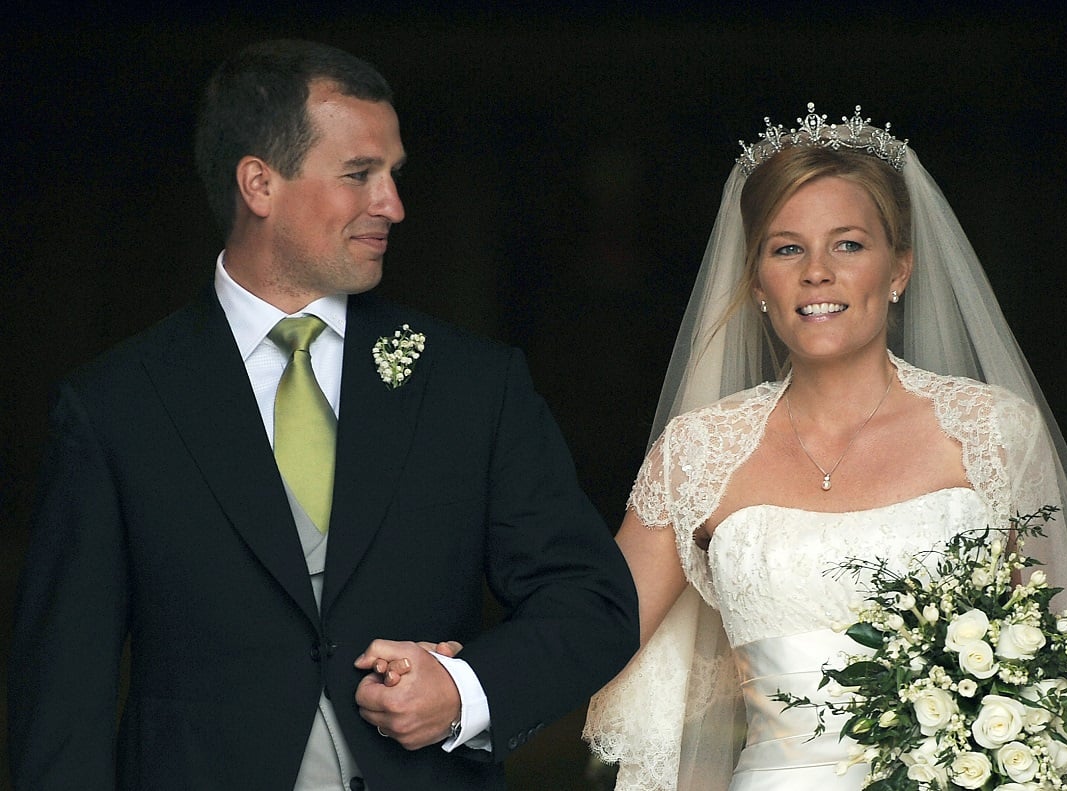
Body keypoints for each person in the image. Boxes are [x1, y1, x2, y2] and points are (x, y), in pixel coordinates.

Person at [8, 39, 638, 791]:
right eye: (360, 175)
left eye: (394, 175)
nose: (393, 205)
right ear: (259, 184)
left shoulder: (473, 384)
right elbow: (63, 707)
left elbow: (592, 600)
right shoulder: (114, 408)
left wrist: (465, 693)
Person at [583, 106, 1067, 790]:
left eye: (848, 244)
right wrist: (455, 683)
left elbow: (1063, 675)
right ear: (757, 280)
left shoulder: (992, 432)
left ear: (900, 267)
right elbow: (585, 635)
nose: (817, 272)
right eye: (786, 248)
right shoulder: (698, 451)